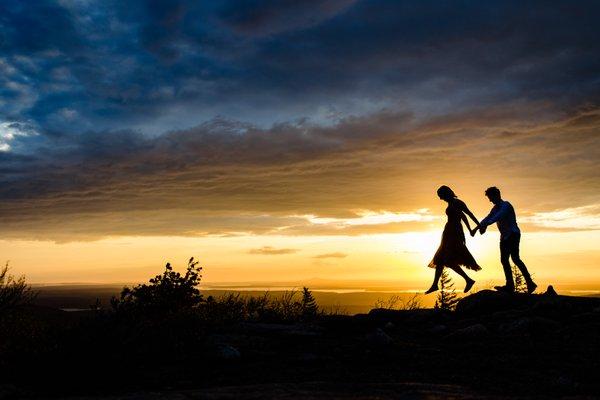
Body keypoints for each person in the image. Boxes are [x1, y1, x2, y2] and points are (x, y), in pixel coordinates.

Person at [477, 187, 537, 294]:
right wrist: (480, 225)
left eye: (490, 197)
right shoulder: (495, 208)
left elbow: (497, 217)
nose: (490, 200)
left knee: (515, 259)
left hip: (513, 234)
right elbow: (488, 217)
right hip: (504, 237)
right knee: (505, 260)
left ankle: (528, 283)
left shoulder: (506, 205)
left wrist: (485, 225)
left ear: (497, 195)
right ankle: (511, 285)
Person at [425, 185, 481, 294]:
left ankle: (468, 280)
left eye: (441, 196)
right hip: (448, 233)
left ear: (447, 193)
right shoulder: (451, 204)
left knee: (448, 260)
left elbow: (468, 214)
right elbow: (463, 216)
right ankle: (435, 285)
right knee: (440, 259)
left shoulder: (458, 202)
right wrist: (470, 229)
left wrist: (479, 226)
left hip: (455, 233)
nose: (440, 198)